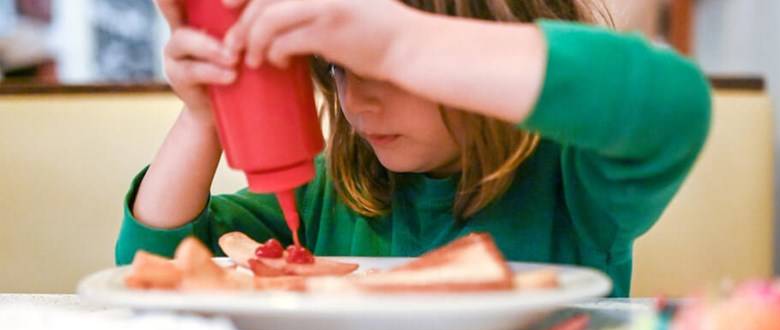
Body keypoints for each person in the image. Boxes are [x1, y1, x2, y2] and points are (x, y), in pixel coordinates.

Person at [116, 0, 711, 297]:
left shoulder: (574, 187)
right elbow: (150, 266)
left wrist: (402, 40)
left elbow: (673, 104)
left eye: (393, 68)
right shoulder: (324, 192)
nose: (358, 103)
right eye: (340, 68)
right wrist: (203, 117)